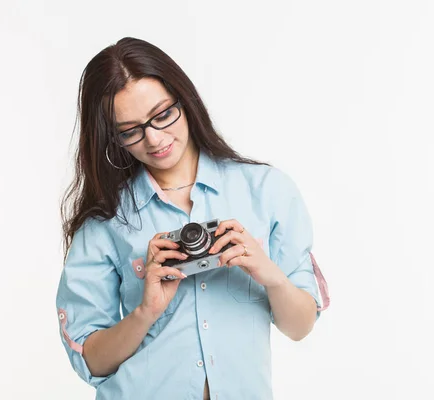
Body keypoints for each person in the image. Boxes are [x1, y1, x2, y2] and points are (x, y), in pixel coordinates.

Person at [55, 37, 330, 400]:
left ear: (185, 99)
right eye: (130, 131)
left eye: (163, 114)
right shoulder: (106, 220)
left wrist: (270, 276)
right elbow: (92, 361)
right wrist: (146, 311)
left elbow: (300, 327)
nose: (154, 139)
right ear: (112, 138)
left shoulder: (265, 190)